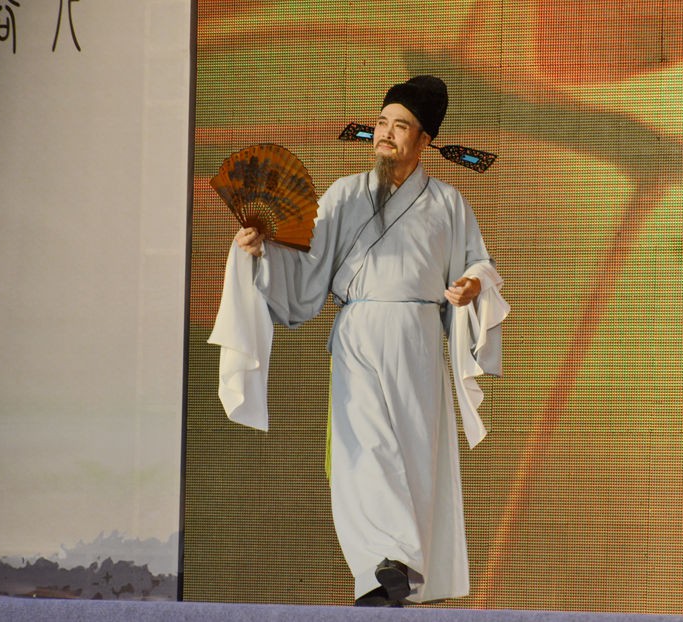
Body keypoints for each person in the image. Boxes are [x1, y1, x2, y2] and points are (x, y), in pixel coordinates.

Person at [209, 75, 509, 607]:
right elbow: (306, 265)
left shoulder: (447, 202)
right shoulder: (345, 194)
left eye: (401, 126)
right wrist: (263, 251)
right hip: (358, 335)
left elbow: (478, 262)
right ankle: (383, 566)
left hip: (417, 338)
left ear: (424, 141)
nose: (386, 133)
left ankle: (402, 572)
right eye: (382, 122)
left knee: (414, 451)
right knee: (364, 449)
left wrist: (471, 285)